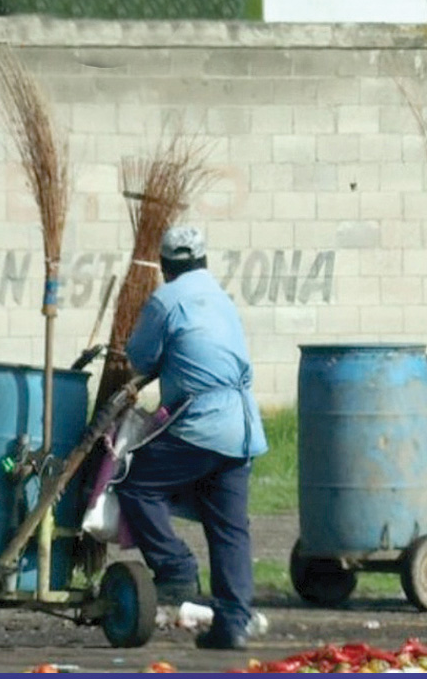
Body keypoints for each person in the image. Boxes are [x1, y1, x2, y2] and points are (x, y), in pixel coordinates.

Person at [117, 225, 268, 650]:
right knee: (229, 527)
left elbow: (141, 357)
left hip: (203, 424)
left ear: (165, 267)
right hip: (242, 427)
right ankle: (233, 625)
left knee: (136, 484)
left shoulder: (167, 299)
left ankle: (176, 566)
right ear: (203, 262)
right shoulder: (222, 299)